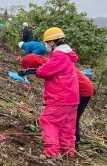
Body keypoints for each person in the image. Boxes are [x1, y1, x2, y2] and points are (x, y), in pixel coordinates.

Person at [19, 27, 79, 157]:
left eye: (47, 43)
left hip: (61, 97)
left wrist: (35, 70)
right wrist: (33, 70)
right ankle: (68, 153)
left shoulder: (59, 55)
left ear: (52, 42)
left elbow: (45, 71)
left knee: (48, 121)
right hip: (72, 97)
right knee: (67, 127)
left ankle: (51, 153)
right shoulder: (68, 55)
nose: (45, 45)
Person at [20, 53, 93, 148]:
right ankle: (67, 143)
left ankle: (73, 142)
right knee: (68, 117)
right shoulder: (48, 62)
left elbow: (49, 76)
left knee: (72, 118)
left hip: (83, 90)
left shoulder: (52, 64)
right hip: (79, 87)